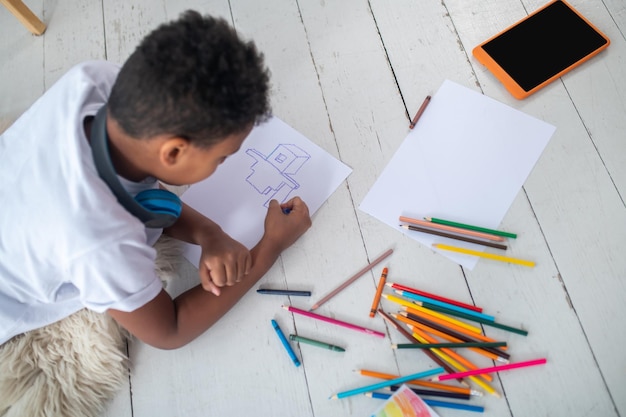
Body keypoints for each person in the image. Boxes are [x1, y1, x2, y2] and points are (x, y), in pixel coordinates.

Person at [0, 11, 311, 350]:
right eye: (222, 157)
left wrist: (211, 233)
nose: (226, 163)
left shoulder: (93, 80)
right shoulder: (101, 242)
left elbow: (144, 194)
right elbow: (170, 329)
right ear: (174, 153)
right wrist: (269, 247)